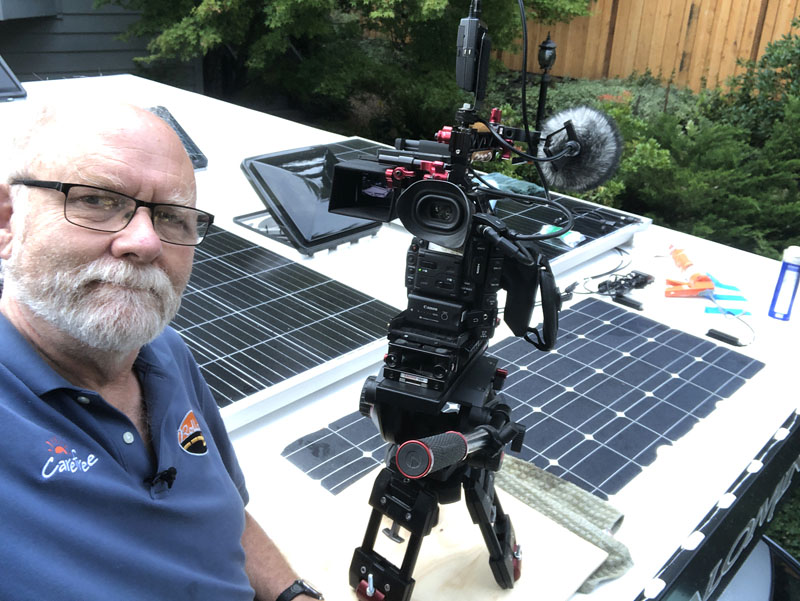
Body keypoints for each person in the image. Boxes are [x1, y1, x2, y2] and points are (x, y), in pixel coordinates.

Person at [0, 102, 322, 601]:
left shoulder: (166, 353)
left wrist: (294, 595)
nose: (146, 242)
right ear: (6, 221)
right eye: (98, 200)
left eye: (173, 217)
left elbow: (223, 512)